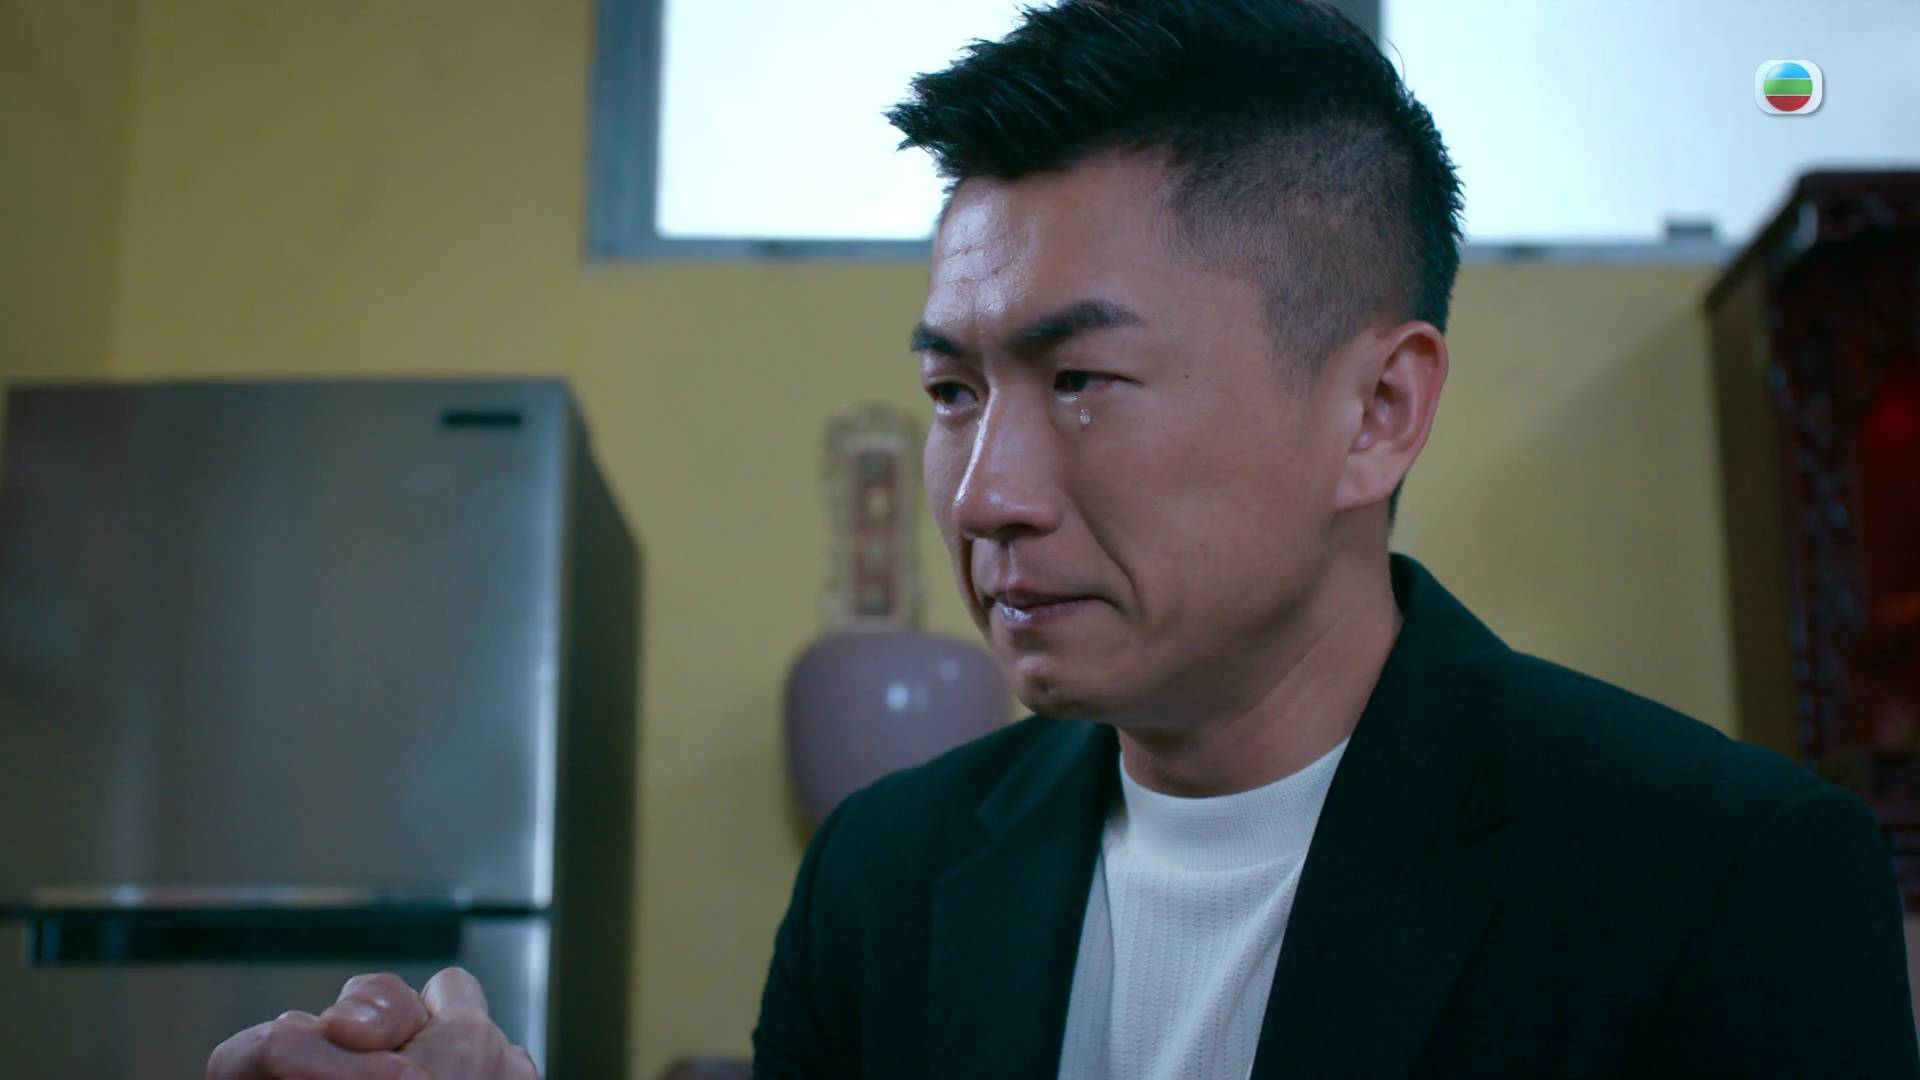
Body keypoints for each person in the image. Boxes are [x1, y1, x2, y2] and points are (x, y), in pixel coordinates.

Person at [209, 1, 1919, 1077]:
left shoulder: (1714, 879)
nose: (983, 494)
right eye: (955, 391)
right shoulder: (887, 878)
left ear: (1378, 412)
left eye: (1083, 379)